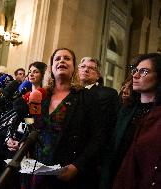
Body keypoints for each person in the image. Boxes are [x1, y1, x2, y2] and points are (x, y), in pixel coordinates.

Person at [9, 48, 103, 189]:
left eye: (67, 58)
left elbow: (98, 137)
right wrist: (21, 141)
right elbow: (31, 122)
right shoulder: (42, 96)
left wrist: (77, 166)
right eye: (57, 59)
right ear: (51, 68)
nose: (62, 61)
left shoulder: (86, 97)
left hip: (67, 172)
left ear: (74, 68)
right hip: (35, 170)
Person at [101, 53, 161, 189]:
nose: (135, 75)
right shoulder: (126, 110)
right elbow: (112, 151)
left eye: (144, 71)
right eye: (135, 70)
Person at [77, 57, 119, 146]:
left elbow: (111, 125)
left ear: (98, 75)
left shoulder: (109, 94)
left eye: (91, 68)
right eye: (83, 66)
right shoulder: (71, 92)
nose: (86, 70)